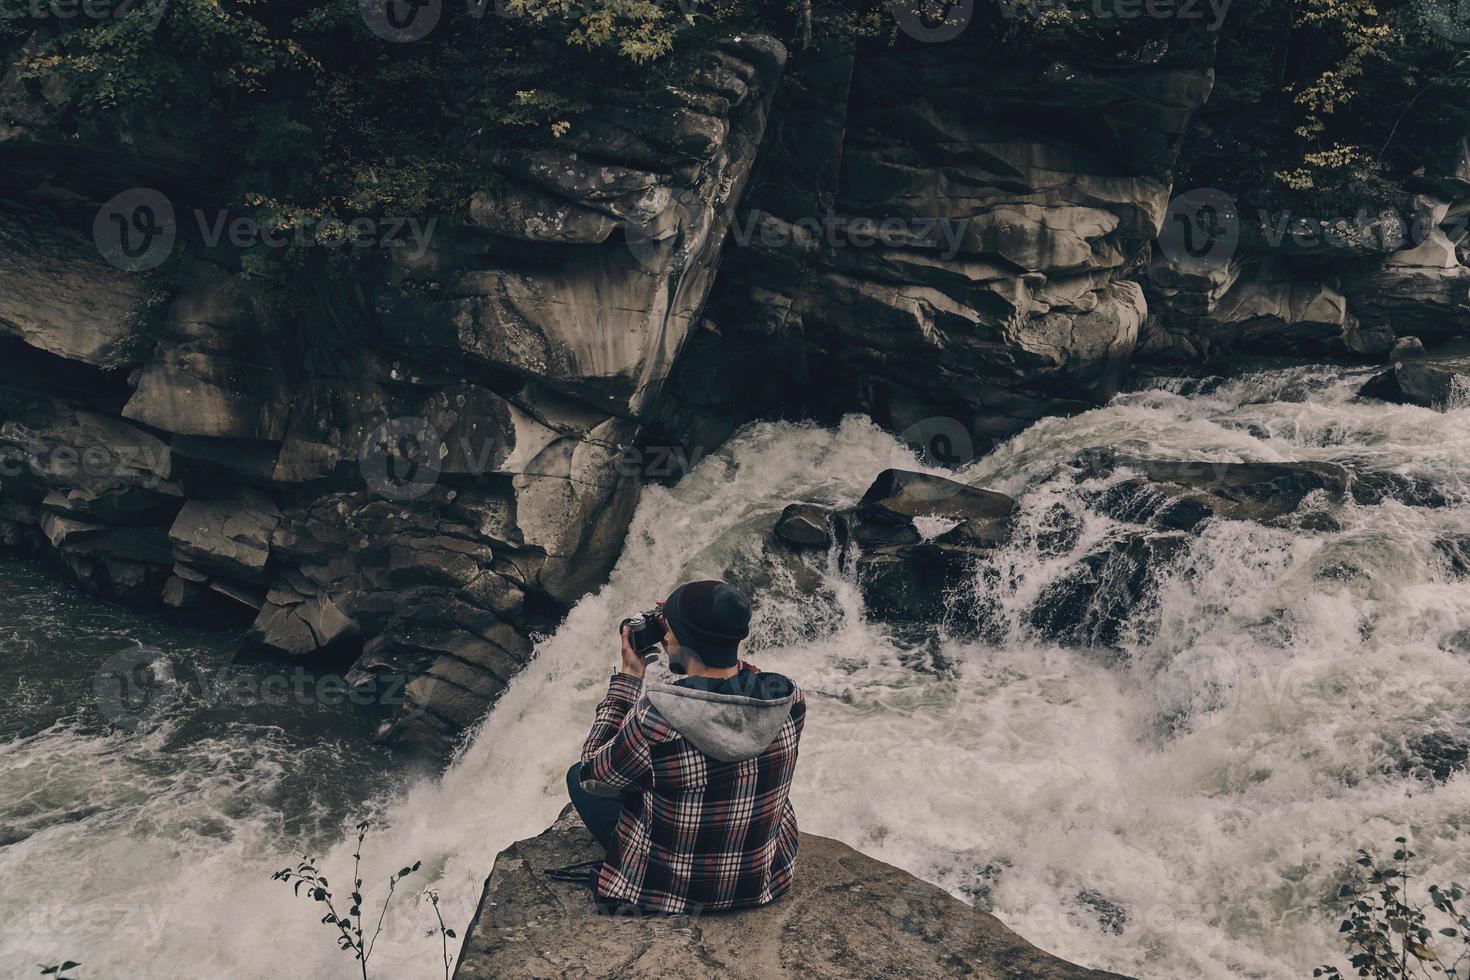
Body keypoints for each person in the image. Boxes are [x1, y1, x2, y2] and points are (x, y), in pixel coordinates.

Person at [565, 580, 805, 915]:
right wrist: (692, 624)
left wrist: (629, 679)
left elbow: (593, 774)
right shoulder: (787, 697)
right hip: (762, 882)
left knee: (578, 775)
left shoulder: (656, 718)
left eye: (668, 629)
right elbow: (736, 687)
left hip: (672, 891)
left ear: (674, 639)